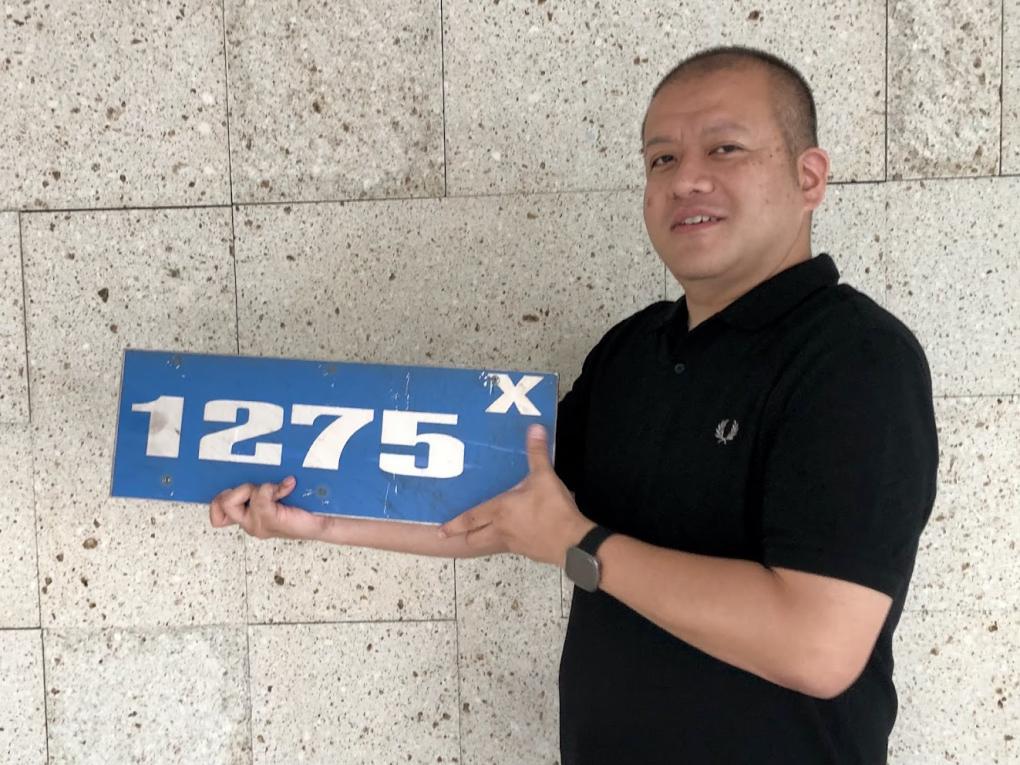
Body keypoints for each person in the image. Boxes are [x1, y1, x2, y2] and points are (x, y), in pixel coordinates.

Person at [210, 46, 938, 764]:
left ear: (809, 177)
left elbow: (817, 643)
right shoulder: (633, 351)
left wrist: (583, 547)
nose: (687, 179)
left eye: (725, 148)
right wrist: (321, 517)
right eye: (661, 159)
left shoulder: (855, 359)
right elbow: (511, 510)